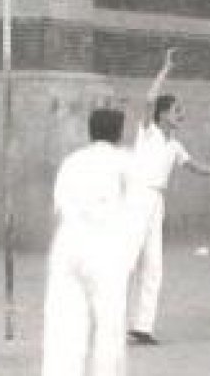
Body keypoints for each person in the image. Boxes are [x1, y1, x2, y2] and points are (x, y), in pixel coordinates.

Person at [125, 47, 210, 344]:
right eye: (176, 110)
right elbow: (149, 99)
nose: (181, 115)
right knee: (127, 261)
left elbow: (199, 168)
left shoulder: (175, 146)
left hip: (156, 202)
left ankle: (142, 327)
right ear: (161, 115)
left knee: (153, 265)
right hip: (136, 198)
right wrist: (165, 68)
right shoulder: (147, 132)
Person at [43, 108, 135, 376]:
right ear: (119, 132)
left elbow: (58, 207)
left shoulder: (72, 161)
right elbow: (135, 211)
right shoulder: (125, 161)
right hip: (105, 245)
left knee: (64, 321)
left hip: (68, 242)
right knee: (109, 323)